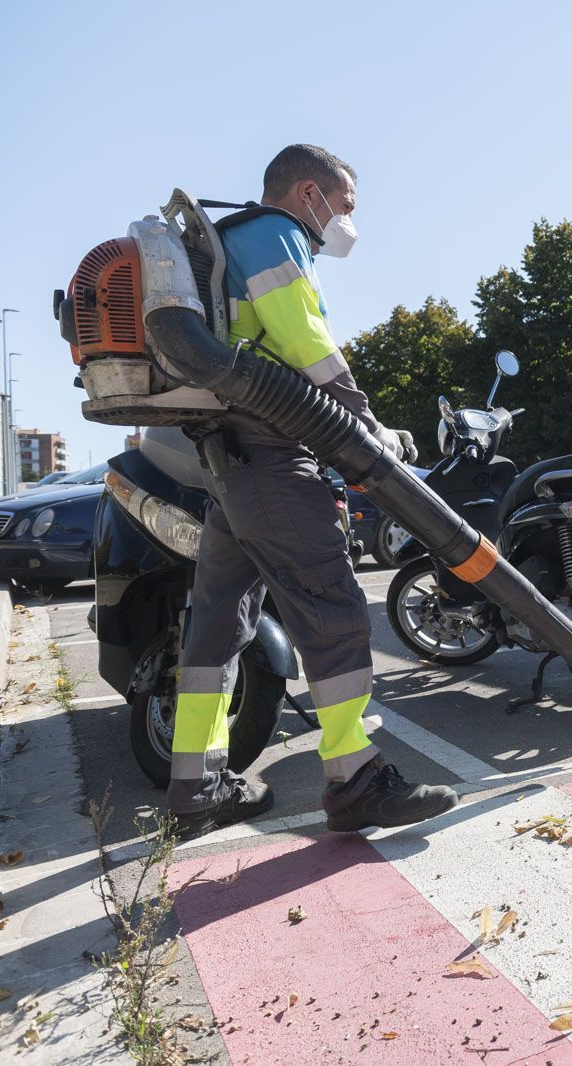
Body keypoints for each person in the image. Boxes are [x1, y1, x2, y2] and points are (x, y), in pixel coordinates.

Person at [169, 144, 457, 839]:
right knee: (333, 608)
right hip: (269, 454)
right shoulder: (274, 237)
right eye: (345, 206)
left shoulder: (228, 240)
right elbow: (309, 346)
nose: (346, 222)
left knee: (214, 626)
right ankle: (356, 779)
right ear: (308, 193)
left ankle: (196, 787)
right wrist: (369, 427)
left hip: (226, 461)